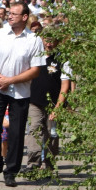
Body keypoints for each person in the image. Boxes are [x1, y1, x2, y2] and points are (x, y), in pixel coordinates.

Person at [0, 1, 46, 187]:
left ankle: (11, 171)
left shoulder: (34, 40)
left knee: (16, 133)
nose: (9, 16)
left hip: (20, 92)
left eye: (14, 14)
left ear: (25, 17)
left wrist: (11, 80)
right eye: (9, 13)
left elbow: (35, 71)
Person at [22, 34, 66, 172]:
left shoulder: (62, 60)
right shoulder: (35, 57)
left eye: (52, 41)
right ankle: (33, 163)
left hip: (53, 103)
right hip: (34, 100)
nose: (49, 44)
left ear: (57, 42)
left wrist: (58, 108)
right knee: (34, 129)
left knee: (51, 133)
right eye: (46, 40)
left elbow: (65, 86)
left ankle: (49, 163)